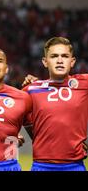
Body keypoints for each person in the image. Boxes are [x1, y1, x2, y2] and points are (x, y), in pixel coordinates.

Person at [22, 37, 88, 171]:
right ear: (45, 62)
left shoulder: (84, 83)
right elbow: (10, 112)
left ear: (72, 61)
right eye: (54, 56)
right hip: (41, 165)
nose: (59, 60)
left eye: (64, 56)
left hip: (75, 165)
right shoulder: (31, 89)